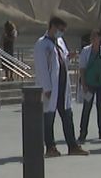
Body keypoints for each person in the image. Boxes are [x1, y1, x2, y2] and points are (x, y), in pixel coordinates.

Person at [35, 17, 88, 157]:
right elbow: (42, 67)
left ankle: (72, 146)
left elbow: (61, 58)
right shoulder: (42, 44)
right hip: (51, 88)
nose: (61, 33)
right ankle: (50, 147)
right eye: (60, 30)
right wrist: (46, 88)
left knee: (67, 116)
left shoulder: (59, 42)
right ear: (52, 26)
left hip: (63, 86)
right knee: (48, 118)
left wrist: (69, 56)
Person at [76, 31, 101, 141]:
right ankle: (83, 133)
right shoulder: (86, 50)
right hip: (90, 83)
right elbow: (82, 68)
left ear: (100, 38)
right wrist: (83, 84)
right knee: (87, 108)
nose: (93, 39)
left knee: (100, 108)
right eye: (91, 37)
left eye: (95, 37)